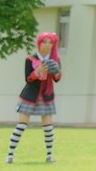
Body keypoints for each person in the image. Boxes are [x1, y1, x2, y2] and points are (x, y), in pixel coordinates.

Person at [6, 31, 62, 164]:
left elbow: (57, 79)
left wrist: (56, 72)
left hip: (46, 97)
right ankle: (10, 155)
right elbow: (28, 79)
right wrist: (37, 72)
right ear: (39, 43)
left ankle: (49, 155)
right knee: (21, 125)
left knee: (48, 128)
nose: (47, 45)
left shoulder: (55, 59)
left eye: (50, 43)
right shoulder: (31, 59)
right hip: (30, 96)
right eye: (44, 42)